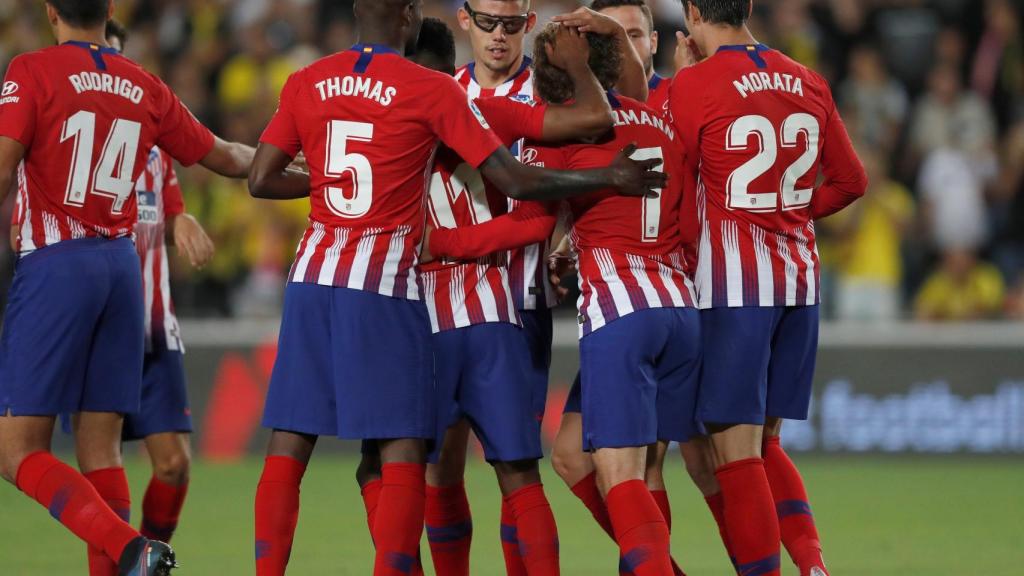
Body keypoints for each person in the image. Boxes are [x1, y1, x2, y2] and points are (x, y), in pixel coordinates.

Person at [247, 2, 666, 575]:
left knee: (333, 453)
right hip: (463, 303)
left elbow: (259, 176)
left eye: (511, 22)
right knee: (493, 467)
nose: (499, 34)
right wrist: (606, 172)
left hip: (362, 292)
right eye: (489, 21)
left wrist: (337, 182)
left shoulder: (310, 81)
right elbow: (536, 179)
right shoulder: (461, 101)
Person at [431, 23, 704, 575]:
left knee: (621, 477)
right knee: (583, 456)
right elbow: (687, 224)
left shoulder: (556, 136)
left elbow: (531, 223)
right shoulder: (662, 124)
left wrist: (440, 243)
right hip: (681, 310)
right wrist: (577, 245)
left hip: (622, 314)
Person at [0, 1, 253, 575]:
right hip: (121, 269)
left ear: (49, 11)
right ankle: (128, 557)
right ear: (108, 9)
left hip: (58, 266)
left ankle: (132, 547)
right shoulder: (144, 85)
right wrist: (314, 164)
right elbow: (228, 158)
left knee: (16, 451)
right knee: (101, 452)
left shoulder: (31, 71)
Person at [670, 1, 867, 575]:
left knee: (735, 451)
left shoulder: (697, 83)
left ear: (693, 12)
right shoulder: (806, 78)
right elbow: (852, 181)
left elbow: (679, 192)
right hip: (799, 286)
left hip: (734, 287)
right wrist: (796, 212)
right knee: (767, 444)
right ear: (750, 7)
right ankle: (812, 564)